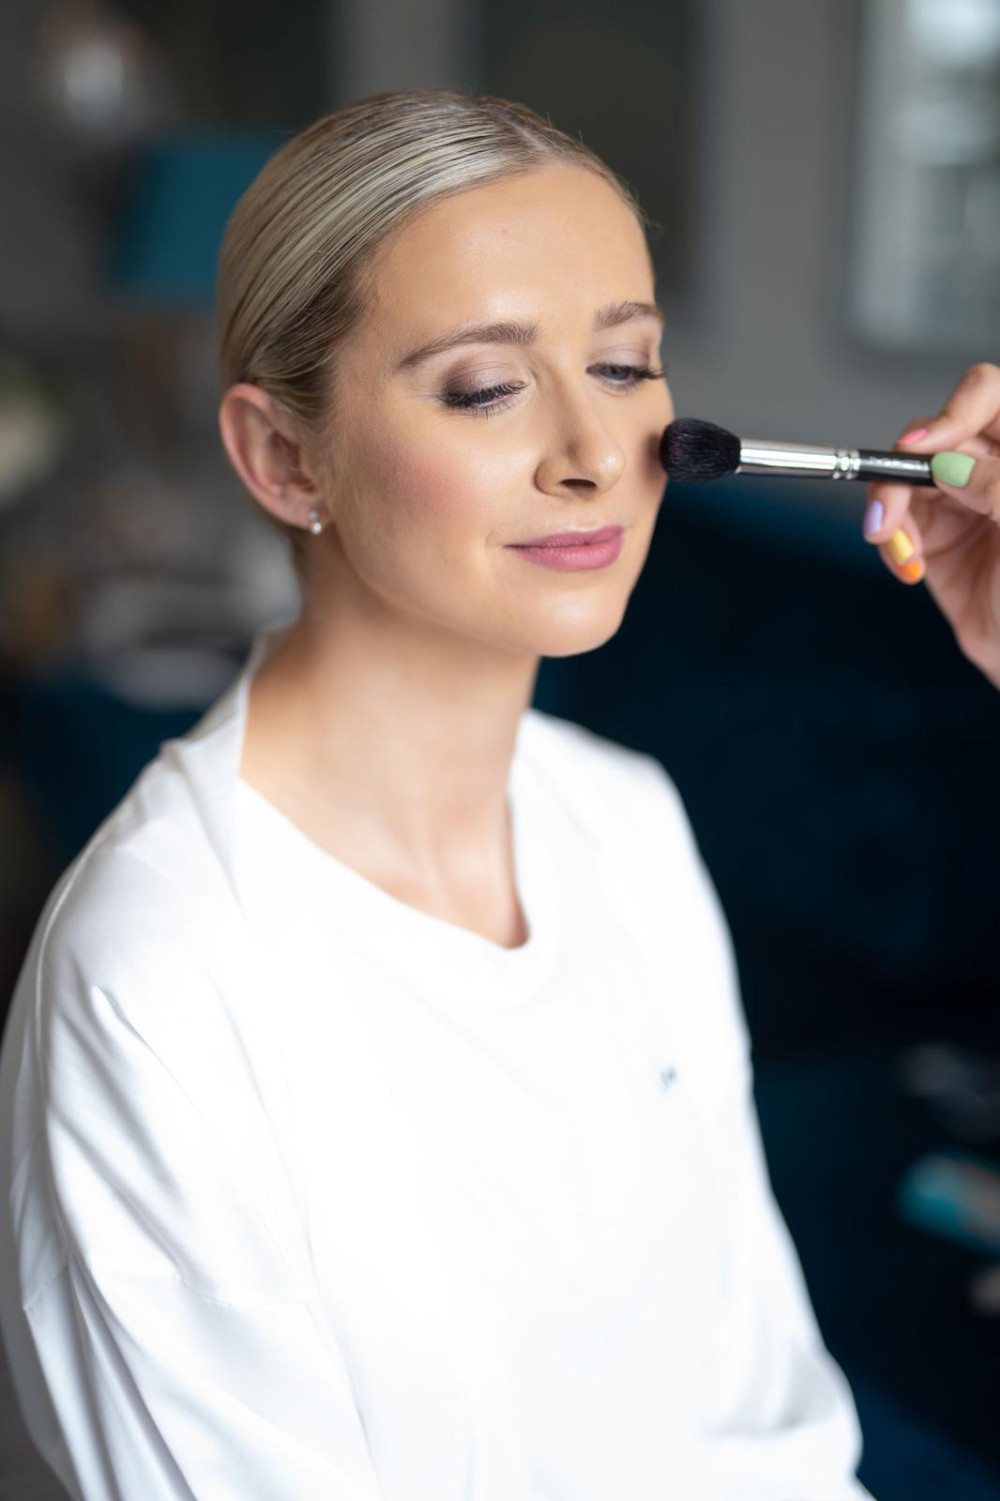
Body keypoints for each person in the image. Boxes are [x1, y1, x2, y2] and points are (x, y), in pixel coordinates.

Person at [0, 87, 997, 1501]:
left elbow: (760, 1412)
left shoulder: (627, 822)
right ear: (284, 457)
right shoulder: (161, 981)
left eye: (625, 364)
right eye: (484, 387)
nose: (592, 453)